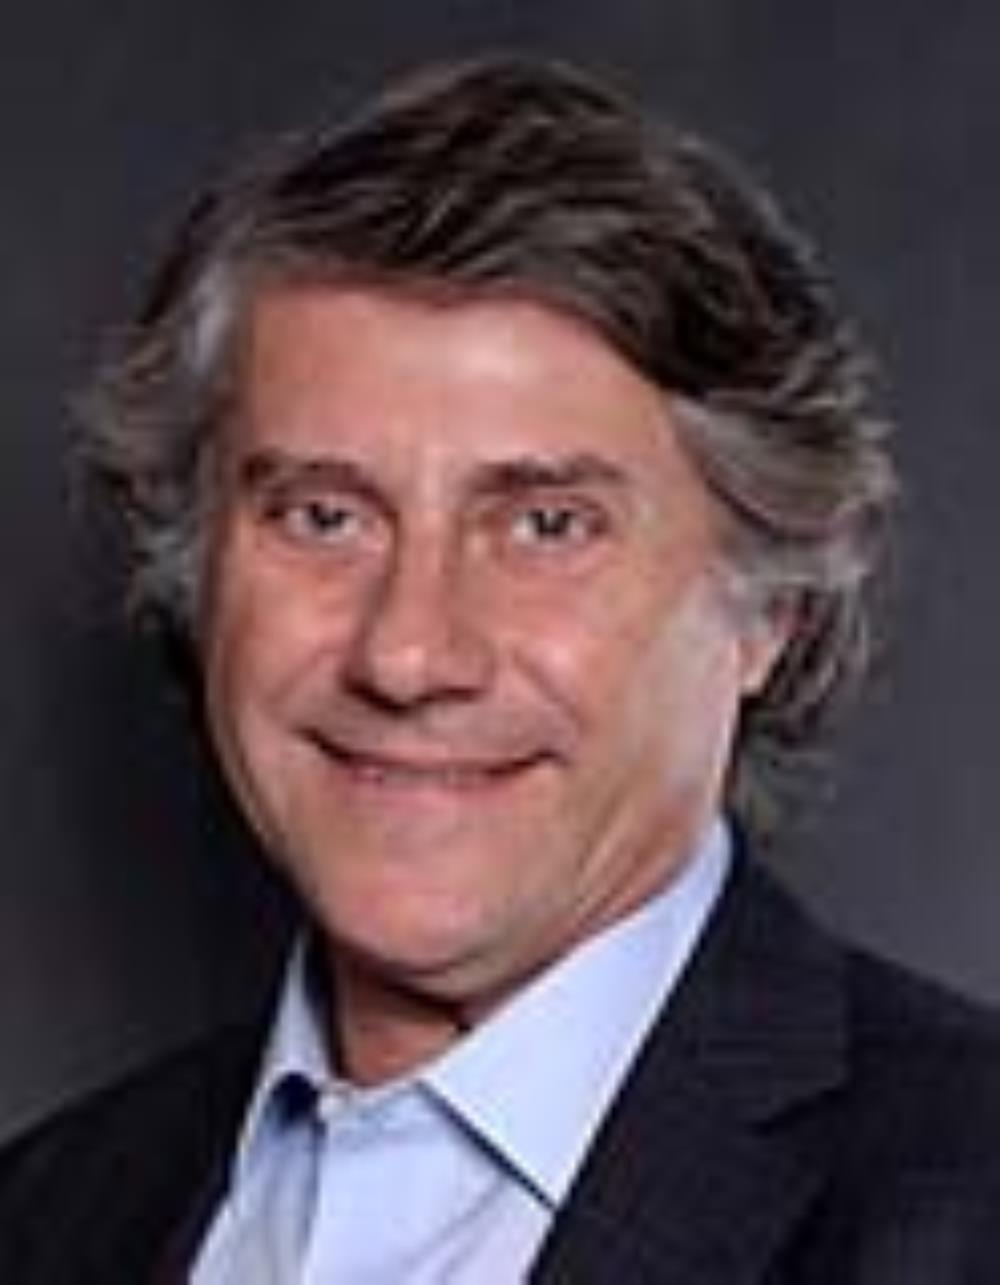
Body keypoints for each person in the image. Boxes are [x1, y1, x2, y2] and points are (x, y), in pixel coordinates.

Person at [2, 53, 999, 1284]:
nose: (407, 654)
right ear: (196, 568)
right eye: (324, 515)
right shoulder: (47, 1213)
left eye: (545, 525)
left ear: (769, 609)